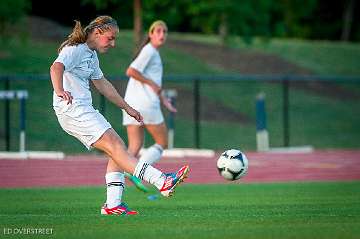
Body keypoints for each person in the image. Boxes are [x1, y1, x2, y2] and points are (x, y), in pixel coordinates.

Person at [50, 16, 189, 215]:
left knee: (118, 150)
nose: (113, 44)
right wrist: (60, 90)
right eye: (110, 38)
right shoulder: (75, 49)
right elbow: (56, 67)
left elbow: (104, 85)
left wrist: (128, 108)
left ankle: (113, 205)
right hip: (72, 110)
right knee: (116, 148)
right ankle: (162, 181)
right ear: (97, 32)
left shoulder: (90, 54)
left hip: (83, 109)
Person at [122, 20, 177, 192]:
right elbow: (131, 71)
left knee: (133, 147)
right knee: (162, 142)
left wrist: (163, 99)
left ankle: (117, 188)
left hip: (131, 103)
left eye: (164, 32)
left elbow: (153, 82)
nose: (162, 34)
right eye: (158, 31)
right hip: (146, 104)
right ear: (151, 34)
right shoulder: (150, 51)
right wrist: (152, 85)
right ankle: (138, 172)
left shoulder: (151, 52)